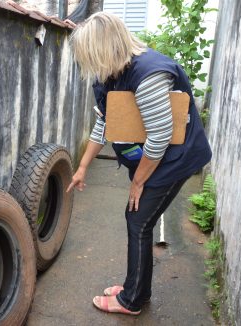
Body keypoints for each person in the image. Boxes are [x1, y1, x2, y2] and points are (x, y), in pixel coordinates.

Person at [66, 12, 212, 316]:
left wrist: (138, 181)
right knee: (139, 220)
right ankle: (136, 289)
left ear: (104, 49)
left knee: (139, 220)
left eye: (90, 56)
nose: (90, 65)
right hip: (157, 158)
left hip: (175, 159)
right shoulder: (113, 74)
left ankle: (132, 300)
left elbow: (159, 138)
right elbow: (105, 123)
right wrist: (81, 167)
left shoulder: (148, 76)